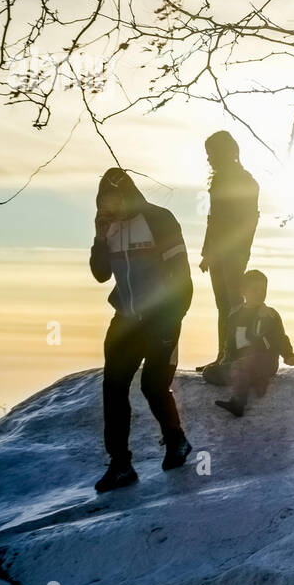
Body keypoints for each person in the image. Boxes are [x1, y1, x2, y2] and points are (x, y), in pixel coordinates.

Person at [89, 168, 194, 492]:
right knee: (114, 388)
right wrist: (99, 239)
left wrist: (172, 317)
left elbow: (183, 277)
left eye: (113, 199)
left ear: (128, 194)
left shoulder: (159, 219)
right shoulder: (109, 227)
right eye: (103, 201)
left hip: (162, 316)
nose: (109, 206)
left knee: (153, 384)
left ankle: (176, 439)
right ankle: (120, 464)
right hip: (126, 318)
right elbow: (101, 274)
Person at [197, 132, 260, 371]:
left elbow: (250, 220)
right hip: (218, 253)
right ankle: (224, 355)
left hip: (233, 253)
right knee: (224, 305)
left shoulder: (246, 181)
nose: (209, 159)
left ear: (226, 152)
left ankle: (238, 355)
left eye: (212, 153)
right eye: (208, 154)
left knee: (235, 305)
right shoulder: (218, 181)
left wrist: (240, 250)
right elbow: (213, 220)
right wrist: (207, 253)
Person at [214, 270, 294, 417]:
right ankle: (255, 379)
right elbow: (230, 342)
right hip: (239, 363)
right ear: (243, 291)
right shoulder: (234, 315)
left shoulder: (269, 314)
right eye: (255, 290)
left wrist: (288, 355)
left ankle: (238, 403)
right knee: (210, 373)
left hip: (265, 360)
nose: (260, 293)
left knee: (241, 366)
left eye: (263, 290)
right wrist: (225, 360)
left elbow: (280, 337)